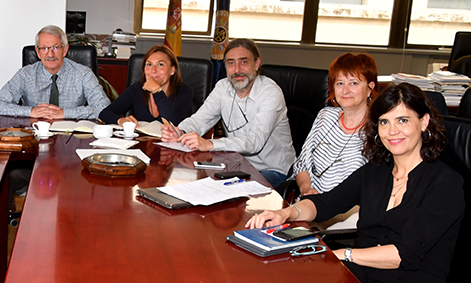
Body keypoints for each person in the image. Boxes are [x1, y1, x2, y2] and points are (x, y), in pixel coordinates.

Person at [246, 83, 464, 282]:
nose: (392, 131)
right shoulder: (375, 172)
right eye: (384, 122)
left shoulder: (446, 184)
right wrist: (286, 214)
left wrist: (342, 255)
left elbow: (401, 255)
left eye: (403, 120)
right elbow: (326, 203)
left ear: (424, 122)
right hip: (359, 272)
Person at [161, 38, 294, 188]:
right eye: (231, 63)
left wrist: (210, 144)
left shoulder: (270, 93)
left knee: (230, 193)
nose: (237, 69)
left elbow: (253, 142)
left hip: (272, 170)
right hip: (236, 165)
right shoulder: (223, 87)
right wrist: (180, 131)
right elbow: (200, 119)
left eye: (243, 62)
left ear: (256, 64)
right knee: (194, 184)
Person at [290, 53, 377, 196]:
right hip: (311, 203)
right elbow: (301, 164)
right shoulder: (326, 116)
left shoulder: (378, 128)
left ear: (369, 88)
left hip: (350, 211)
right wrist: (306, 189)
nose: (345, 90)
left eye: (353, 83)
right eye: (340, 83)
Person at [0, 25, 110, 119]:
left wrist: (64, 113)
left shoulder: (83, 74)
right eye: (44, 48)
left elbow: (104, 107)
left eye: (55, 48)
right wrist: (31, 111)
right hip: (35, 137)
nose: (50, 54)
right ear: (37, 52)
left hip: (72, 139)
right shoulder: (26, 74)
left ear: (65, 50)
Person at [99, 44, 193, 125]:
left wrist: (156, 91)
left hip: (172, 144)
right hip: (140, 144)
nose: (153, 70)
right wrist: (120, 120)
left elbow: (172, 122)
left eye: (160, 64)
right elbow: (104, 114)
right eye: (149, 64)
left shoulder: (184, 91)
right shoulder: (137, 89)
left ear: (172, 70)